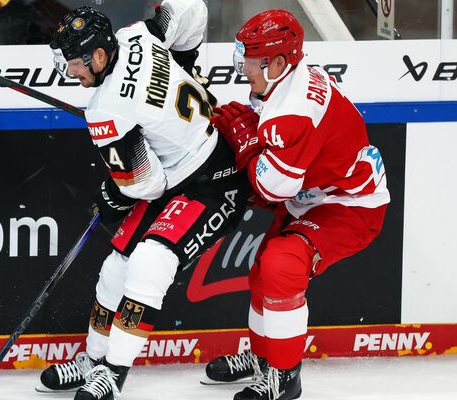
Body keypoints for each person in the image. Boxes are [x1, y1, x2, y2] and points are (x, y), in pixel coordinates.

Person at [41, 2, 249, 400]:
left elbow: (147, 184)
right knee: (115, 269)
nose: (71, 72)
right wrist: (185, 64)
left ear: (99, 55)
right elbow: (191, 7)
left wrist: (114, 193)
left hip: (214, 183)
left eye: (74, 63)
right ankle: (94, 359)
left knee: (149, 263)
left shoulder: (106, 111)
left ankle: (113, 375)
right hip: (182, 172)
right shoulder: (138, 34)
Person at [203, 9, 390, 400]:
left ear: (278, 62)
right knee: (262, 266)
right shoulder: (287, 80)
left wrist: (247, 142)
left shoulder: (293, 113)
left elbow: (272, 189)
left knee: (281, 262)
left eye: (251, 58)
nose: (242, 66)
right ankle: (263, 357)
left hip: (350, 205)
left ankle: (285, 376)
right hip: (317, 193)